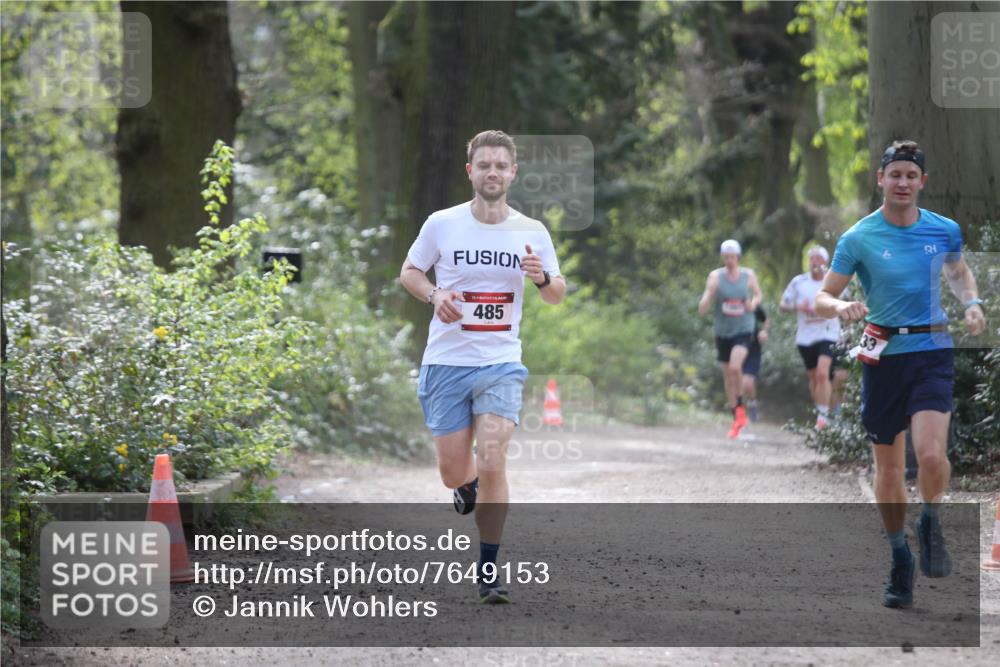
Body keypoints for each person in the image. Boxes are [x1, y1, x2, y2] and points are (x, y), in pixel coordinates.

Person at [815, 140, 985, 609]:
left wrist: (971, 302)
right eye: (896, 175)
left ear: (922, 182)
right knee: (888, 467)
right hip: (882, 357)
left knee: (931, 457)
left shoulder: (944, 229)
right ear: (881, 180)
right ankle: (898, 557)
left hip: (931, 348)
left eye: (912, 175)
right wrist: (842, 304)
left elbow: (959, 272)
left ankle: (931, 517)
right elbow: (822, 297)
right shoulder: (858, 237)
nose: (904, 183)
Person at [399, 130, 566, 604]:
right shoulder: (442, 223)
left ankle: (489, 568)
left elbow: (557, 294)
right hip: (446, 362)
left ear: (513, 173)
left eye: (501, 165)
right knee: (454, 472)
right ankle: (465, 485)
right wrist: (436, 294)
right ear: (470, 171)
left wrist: (543, 278)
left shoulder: (531, 231)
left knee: (493, 456)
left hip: (500, 362)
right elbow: (410, 271)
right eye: (484, 165)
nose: (493, 172)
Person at [698, 239, 763, 438]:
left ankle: (742, 412)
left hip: (744, 329)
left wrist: (753, 303)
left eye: (732, 257)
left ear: (738, 257)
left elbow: (758, 294)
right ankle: (737, 417)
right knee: (728, 376)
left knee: (736, 367)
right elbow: (707, 296)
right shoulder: (716, 277)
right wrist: (705, 302)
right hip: (723, 331)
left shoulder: (747, 275)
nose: (729, 261)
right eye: (726, 257)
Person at [780, 246, 842, 429]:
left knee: (823, 374)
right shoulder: (799, 282)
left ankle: (823, 417)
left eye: (818, 258)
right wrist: (798, 306)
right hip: (805, 338)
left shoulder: (833, 282)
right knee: (815, 379)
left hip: (828, 332)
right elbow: (783, 306)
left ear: (825, 262)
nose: (814, 262)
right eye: (811, 258)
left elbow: (846, 301)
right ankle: (822, 410)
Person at [741, 305, 768, 422]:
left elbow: (766, 320)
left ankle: (752, 403)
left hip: (753, 350)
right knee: (739, 383)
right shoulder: (728, 303)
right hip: (735, 347)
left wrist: (764, 331)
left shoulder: (753, 306)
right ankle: (739, 413)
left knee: (747, 383)